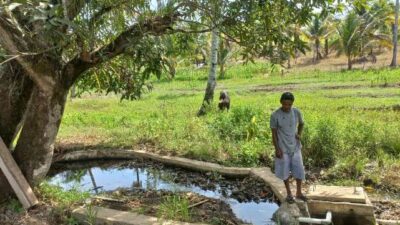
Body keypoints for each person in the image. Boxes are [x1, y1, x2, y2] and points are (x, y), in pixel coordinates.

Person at [270, 92, 306, 204]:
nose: (287, 106)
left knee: (299, 170)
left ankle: (299, 192)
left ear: (292, 104)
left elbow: (301, 124)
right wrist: (277, 149)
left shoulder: (296, 112)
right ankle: (289, 194)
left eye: (289, 104)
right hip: (282, 147)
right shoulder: (275, 115)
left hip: (295, 146)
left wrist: (299, 134)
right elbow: (274, 133)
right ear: (281, 102)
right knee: (285, 171)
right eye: (285, 104)